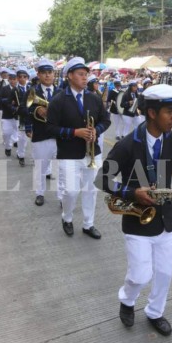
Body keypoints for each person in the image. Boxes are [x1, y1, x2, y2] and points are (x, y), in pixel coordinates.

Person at [95, 84, 172, 336]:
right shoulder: (127, 145)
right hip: (137, 220)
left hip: (165, 219)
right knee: (139, 276)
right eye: (170, 111)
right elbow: (102, 180)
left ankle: (155, 312)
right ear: (151, 113)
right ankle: (127, 300)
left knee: (164, 273)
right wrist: (131, 192)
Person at [46, 57, 110, 239]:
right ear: (70, 76)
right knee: (71, 191)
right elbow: (50, 128)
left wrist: (96, 130)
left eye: (86, 75)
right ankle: (67, 218)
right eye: (81, 75)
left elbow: (106, 120)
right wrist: (75, 132)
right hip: (69, 153)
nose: (85, 78)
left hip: (92, 153)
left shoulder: (94, 98)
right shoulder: (58, 100)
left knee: (91, 190)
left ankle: (88, 224)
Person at [27, 59, 61, 207]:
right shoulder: (32, 91)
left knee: (61, 168)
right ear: (38, 75)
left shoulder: (61, 91)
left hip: (60, 136)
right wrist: (36, 110)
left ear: (53, 74)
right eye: (43, 73)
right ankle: (39, 193)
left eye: (49, 73)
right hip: (41, 135)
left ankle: (61, 196)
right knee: (40, 167)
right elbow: (23, 109)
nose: (47, 76)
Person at [0, 69, 19, 157]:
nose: (13, 81)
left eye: (14, 79)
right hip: (6, 115)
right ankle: (8, 147)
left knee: (18, 134)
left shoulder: (20, 89)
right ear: (8, 80)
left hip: (17, 115)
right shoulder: (4, 89)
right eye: (11, 79)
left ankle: (19, 152)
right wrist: (9, 101)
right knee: (6, 133)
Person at [12, 67, 31, 167]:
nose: (22, 78)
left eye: (24, 76)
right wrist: (15, 108)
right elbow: (8, 103)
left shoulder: (32, 87)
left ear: (27, 77)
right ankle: (21, 155)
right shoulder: (15, 90)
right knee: (22, 137)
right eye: (19, 77)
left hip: (33, 115)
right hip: (23, 117)